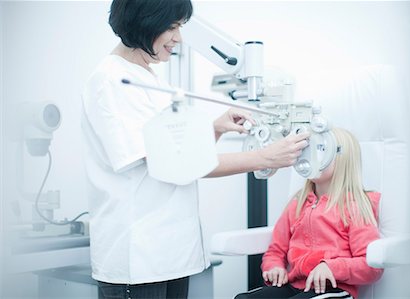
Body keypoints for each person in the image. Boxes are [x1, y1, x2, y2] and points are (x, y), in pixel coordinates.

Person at [81, 1, 309, 298]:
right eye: (172, 27)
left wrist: (213, 129)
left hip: (169, 254)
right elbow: (173, 162)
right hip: (138, 259)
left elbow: (178, 151)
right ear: (144, 22)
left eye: (180, 27)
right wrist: (263, 157)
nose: (179, 38)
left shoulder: (146, 77)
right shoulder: (113, 80)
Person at [235, 128, 383, 299]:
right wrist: (274, 267)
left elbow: (372, 265)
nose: (313, 157)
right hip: (295, 286)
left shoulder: (354, 207)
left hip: (333, 289)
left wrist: (331, 267)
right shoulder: (297, 204)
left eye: (322, 150)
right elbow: (276, 250)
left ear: (343, 160)